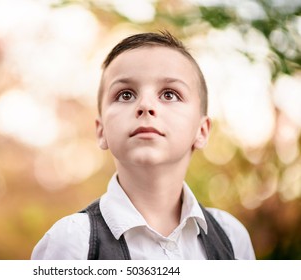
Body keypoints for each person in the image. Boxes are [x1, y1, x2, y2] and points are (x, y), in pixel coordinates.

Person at [31, 31, 255, 260]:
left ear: (202, 130)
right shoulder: (72, 241)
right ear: (101, 130)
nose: (146, 105)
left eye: (169, 94)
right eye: (125, 95)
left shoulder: (232, 238)